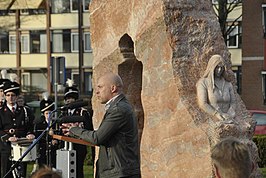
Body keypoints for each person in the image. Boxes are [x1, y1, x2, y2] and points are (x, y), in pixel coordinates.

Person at [62, 72, 141, 178]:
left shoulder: (118, 109)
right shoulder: (117, 107)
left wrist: (73, 130)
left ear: (113, 88)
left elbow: (97, 138)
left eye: (100, 87)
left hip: (119, 173)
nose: (97, 92)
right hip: (118, 171)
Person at [0, 79, 35, 178]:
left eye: (13, 95)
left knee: (21, 173)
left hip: (21, 146)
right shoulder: (1, 112)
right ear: (5, 96)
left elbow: (29, 126)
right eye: (8, 95)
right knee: (7, 173)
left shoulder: (25, 111)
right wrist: (7, 137)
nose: (10, 98)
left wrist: (30, 133)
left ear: (16, 96)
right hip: (6, 147)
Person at [60, 79, 93, 178]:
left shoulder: (83, 112)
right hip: (66, 144)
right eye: (67, 99)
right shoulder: (63, 113)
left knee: (78, 170)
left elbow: (88, 128)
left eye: (71, 98)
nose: (68, 101)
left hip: (79, 145)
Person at [196, 54, 236, 122]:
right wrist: (216, 114)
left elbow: (233, 102)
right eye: (217, 67)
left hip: (229, 117)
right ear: (212, 67)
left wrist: (230, 113)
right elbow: (203, 104)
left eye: (222, 67)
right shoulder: (203, 83)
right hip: (213, 118)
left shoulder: (228, 84)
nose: (219, 70)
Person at [34, 92, 58, 169]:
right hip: (43, 151)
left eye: (51, 113)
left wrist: (56, 140)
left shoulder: (57, 124)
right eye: (47, 113)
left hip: (55, 152)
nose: (49, 115)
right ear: (43, 114)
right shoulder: (39, 124)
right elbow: (38, 137)